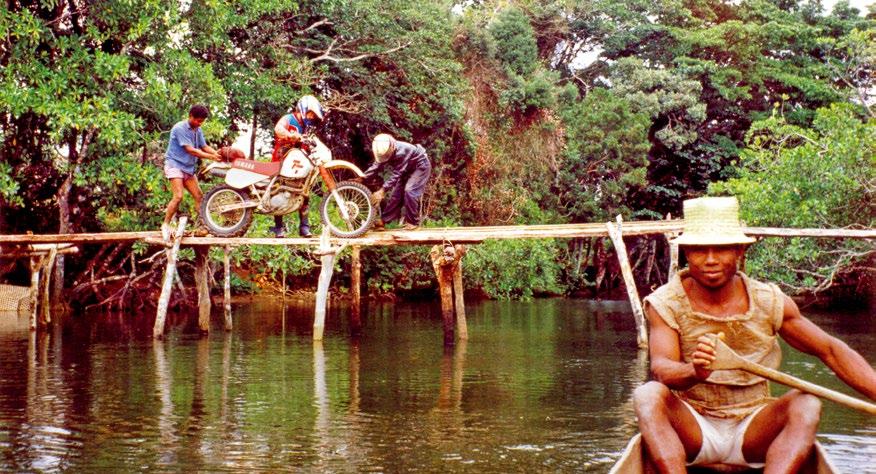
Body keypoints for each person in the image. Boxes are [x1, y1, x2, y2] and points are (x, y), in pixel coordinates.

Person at [632, 196, 876, 473]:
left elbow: (830, 350)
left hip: (753, 430)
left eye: (721, 250)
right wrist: (695, 371)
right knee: (648, 395)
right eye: (699, 250)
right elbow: (661, 370)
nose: (710, 260)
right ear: (686, 252)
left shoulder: (768, 300)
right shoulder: (665, 302)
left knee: (806, 403)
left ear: (739, 251)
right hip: (694, 428)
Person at [162, 104, 222, 240]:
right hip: (174, 165)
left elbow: (204, 146)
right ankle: (165, 224)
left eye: (202, 122)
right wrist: (211, 157)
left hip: (188, 168)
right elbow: (190, 150)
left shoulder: (198, 130)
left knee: (199, 197)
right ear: (190, 116)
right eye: (198, 121)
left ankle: (203, 226)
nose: (200, 124)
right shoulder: (179, 128)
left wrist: (217, 154)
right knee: (178, 196)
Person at [268, 95, 325, 238]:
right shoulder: (289, 118)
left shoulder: (306, 128)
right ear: (304, 109)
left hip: (297, 163)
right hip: (281, 159)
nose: (312, 117)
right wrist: (290, 135)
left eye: (314, 116)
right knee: (277, 190)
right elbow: (278, 129)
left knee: (304, 192)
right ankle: (278, 227)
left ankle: (304, 227)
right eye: (311, 114)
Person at [363, 133, 432, 231]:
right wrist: (362, 177)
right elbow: (376, 166)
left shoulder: (403, 150)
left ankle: (413, 223)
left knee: (410, 190)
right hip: (407, 169)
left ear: (392, 147)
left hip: (420, 166)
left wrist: (382, 190)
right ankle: (383, 221)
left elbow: (397, 174)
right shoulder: (381, 149)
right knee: (396, 195)